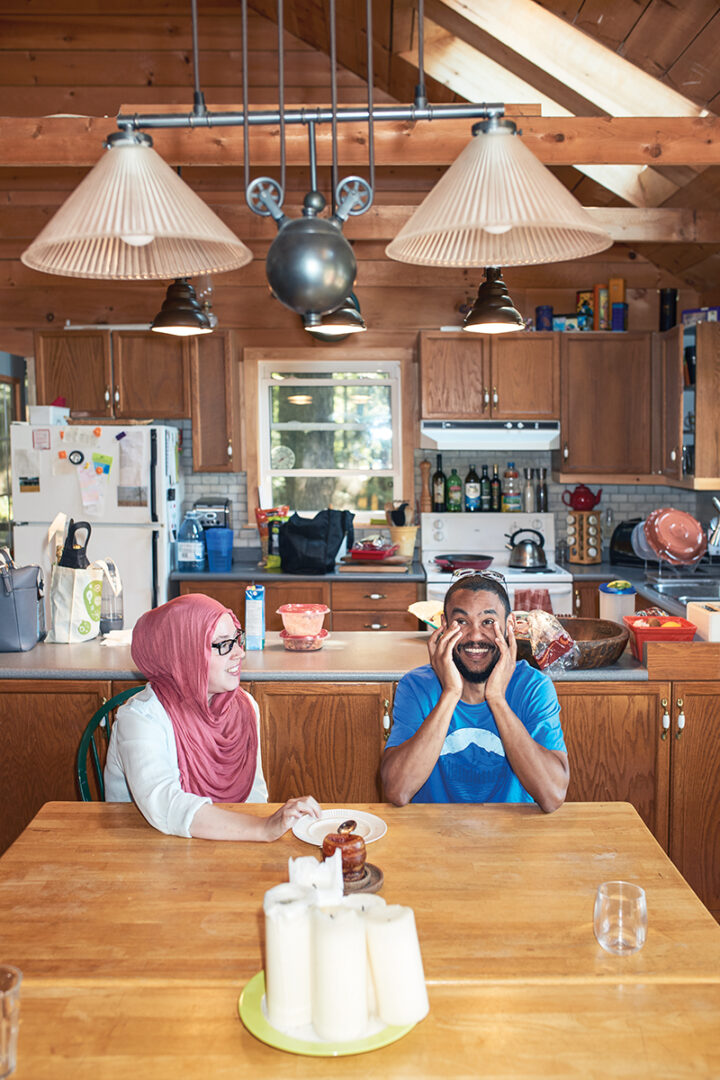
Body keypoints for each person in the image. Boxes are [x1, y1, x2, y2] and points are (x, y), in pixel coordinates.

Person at [104, 593, 321, 840]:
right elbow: (165, 807)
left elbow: (254, 797)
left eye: (236, 639)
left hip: (221, 845)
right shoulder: (140, 719)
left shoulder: (244, 706)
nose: (239, 653)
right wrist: (263, 828)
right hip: (141, 849)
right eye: (222, 644)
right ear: (184, 655)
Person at [381, 571, 569, 812]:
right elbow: (398, 790)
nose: (475, 636)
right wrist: (450, 693)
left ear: (509, 625)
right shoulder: (416, 686)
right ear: (444, 626)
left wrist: (497, 700)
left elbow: (552, 796)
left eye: (488, 622)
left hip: (514, 838)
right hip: (433, 838)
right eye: (462, 622)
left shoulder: (533, 687)